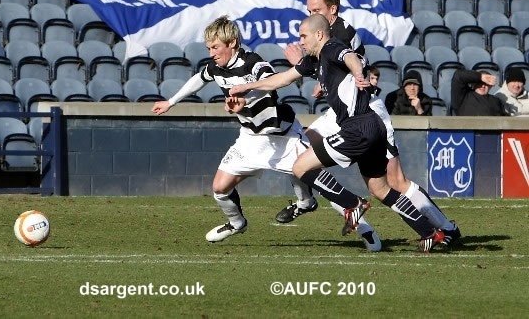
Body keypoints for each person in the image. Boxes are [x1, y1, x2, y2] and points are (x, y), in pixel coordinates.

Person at [151, 16, 381, 251]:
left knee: (320, 181)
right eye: (208, 48)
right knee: (219, 187)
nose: (211, 53)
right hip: (250, 138)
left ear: (232, 42)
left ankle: (365, 230)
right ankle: (237, 223)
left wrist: (245, 98)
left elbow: (270, 84)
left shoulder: (253, 62)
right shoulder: (215, 68)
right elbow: (199, 79)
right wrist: (171, 101)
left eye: (215, 47)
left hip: (282, 135)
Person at [231, 14, 445, 252]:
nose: (300, 41)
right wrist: (246, 87)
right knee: (381, 189)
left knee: (300, 167)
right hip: (372, 126)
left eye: (303, 36)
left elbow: (350, 57)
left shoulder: (332, 47)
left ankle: (353, 204)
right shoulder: (314, 60)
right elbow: (281, 79)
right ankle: (429, 232)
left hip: (358, 127)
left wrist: (358, 74)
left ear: (319, 34)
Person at [281, 0, 460, 247]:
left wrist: (302, 64)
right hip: (342, 110)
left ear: (332, 9)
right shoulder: (325, 33)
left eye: (316, 10)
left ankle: (445, 228)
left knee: (393, 181)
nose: (311, 15)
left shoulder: (339, 34)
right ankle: (311, 202)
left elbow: (340, 61)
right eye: (308, 11)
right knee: (302, 150)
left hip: (367, 108)